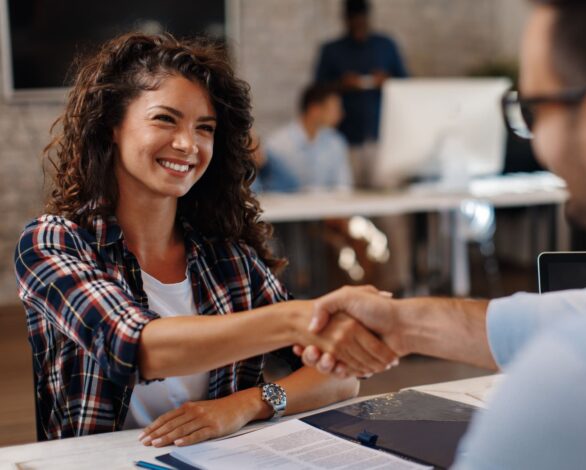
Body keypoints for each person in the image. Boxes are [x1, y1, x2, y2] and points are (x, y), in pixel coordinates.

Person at [298, 0, 586, 467]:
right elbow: (584, 312)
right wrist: (402, 324)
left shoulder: (578, 386)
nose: (535, 138)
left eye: (533, 109)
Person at [14, 32, 397, 445]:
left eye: (205, 128)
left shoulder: (229, 258)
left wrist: (248, 404)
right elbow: (137, 348)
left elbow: (340, 378)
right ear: (112, 125)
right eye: (165, 119)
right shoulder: (52, 242)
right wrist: (299, 320)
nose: (188, 144)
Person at [314, 0, 408, 186]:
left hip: (382, 135)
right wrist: (342, 84)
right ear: (346, 21)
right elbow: (317, 90)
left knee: (388, 201)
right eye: (354, 21)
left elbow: (406, 84)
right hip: (346, 137)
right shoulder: (332, 50)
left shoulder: (385, 45)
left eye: (362, 21)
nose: (358, 26)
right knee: (349, 198)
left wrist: (388, 81)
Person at [262, 83, 352, 192]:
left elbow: (343, 187)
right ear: (314, 109)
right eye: (335, 109)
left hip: (329, 207)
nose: (341, 114)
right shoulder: (277, 144)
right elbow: (270, 189)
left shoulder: (336, 142)